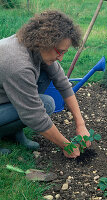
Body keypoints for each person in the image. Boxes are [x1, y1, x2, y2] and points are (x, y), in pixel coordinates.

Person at [0, 10, 91, 158]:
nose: (60, 58)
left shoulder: (35, 47)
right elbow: (34, 115)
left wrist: (81, 124)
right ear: (45, 41)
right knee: (46, 104)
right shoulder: (18, 65)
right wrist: (66, 145)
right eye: (59, 52)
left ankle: (13, 133)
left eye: (64, 53)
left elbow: (62, 82)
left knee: (44, 76)